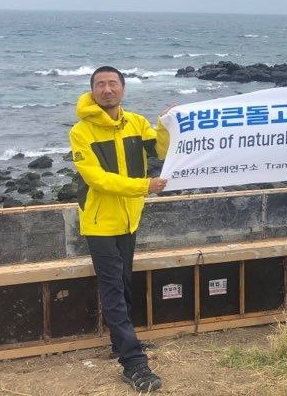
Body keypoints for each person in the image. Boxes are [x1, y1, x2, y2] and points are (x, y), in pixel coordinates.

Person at [70, 66, 169, 392]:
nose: (107, 89)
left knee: (123, 282)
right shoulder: (81, 132)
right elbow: (97, 179)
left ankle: (120, 342)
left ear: (123, 89)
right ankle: (133, 362)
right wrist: (145, 186)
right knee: (113, 288)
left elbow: (161, 151)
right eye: (100, 84)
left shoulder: (137, 123)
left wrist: (167, 124)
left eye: (113, 83)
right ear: (93, 91)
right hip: (99, 224)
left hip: (129, 219)